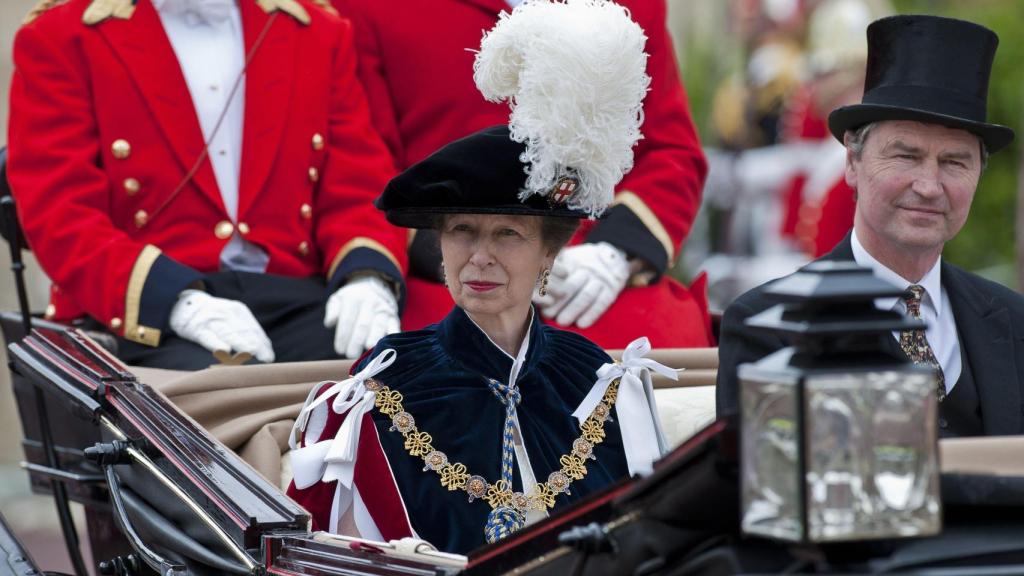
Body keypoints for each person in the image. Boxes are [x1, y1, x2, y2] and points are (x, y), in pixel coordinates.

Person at [287, 1, 671, 553]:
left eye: (509, 234)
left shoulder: (602, 384)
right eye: (463, 231)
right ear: (440, 247)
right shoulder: (377, 391)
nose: (480, 257)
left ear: (549, 254)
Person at [7, 0, 406, 369]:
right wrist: (177, 302)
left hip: (293, 297)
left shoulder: (314, 28)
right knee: (227, 403)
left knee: (399, 378)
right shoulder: (62, 35)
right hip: (144, 315)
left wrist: (366, 277)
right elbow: (60, 212)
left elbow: (358, 183)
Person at [331, 0, 713, 349]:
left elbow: (668, 151)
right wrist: (378, 268)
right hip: (446, 267)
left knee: (669, 343)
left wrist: (616, 252)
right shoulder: (368, 8)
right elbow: (364, 161)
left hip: (581, 272)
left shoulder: (633, 7)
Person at [716, 15, 1024, 437]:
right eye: (906, 156)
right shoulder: (768, 325)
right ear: (852, 163)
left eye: (954, 162)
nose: (929, 186)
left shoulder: (1015, 321)